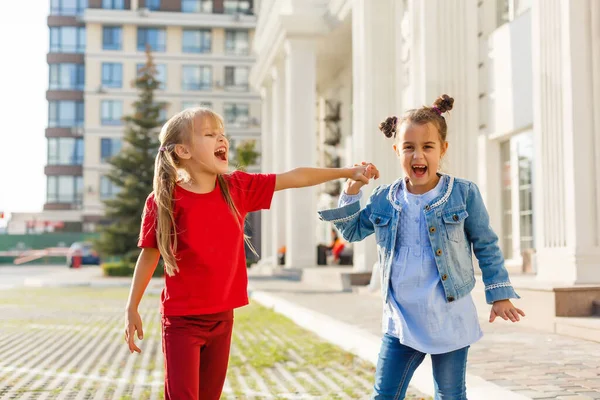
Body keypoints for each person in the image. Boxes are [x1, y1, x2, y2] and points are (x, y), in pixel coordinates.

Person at [123, 107, 378, 400]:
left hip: (222, 319)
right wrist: (132, 307)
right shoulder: (163, 200)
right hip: (182, 321)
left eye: (223, 134)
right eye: (209, 134)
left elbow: (294, 177)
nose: (222, 140)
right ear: (183, 150)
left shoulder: (237, 188)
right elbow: (149, 254)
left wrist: (347, 172)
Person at [318, 95, 525, 399]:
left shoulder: (463, 194)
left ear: (443, 149)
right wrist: (352, 189)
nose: (418, 155)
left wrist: (500, 293)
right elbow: (350, 231)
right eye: (409, 147)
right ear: (396, 150)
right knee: (385, 395)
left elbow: (486, 244)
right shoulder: (384, 198)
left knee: (450, 394)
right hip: (400, 320)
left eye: (427, 147)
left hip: (449, 317)